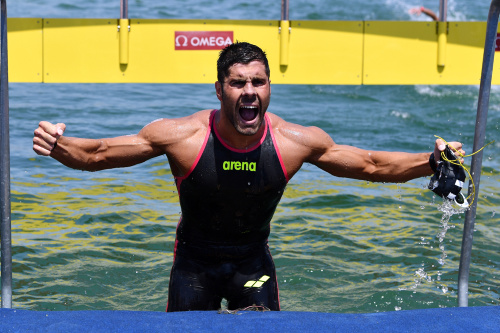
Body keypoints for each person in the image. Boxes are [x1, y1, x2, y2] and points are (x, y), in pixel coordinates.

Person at [33, 42, 464, 312]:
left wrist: (430, 162)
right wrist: (57, 145)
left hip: (252, 263)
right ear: (219, 90)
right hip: (193, 265)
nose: (249, 92)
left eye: (258, 82)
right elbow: (100, 154)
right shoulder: (182, 137)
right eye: (238, 83)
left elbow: (370, 165)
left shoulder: (295, 141)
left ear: (269, 88)